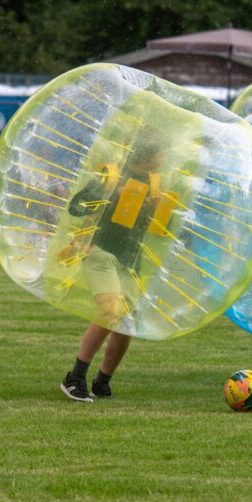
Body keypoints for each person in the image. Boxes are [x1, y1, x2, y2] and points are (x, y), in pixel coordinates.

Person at [59, 133, 164, 403]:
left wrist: (157, 209)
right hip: (100, 253)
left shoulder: (155, 183)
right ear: (146, 156)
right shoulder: (113, 175)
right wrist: (107, 195)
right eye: (160, 154)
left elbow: (156, 231)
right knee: (110, 311)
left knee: (126, 324)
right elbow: (76, 206)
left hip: (130, 261)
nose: (164, 160)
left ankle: (102, 382)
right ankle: (75, 377)